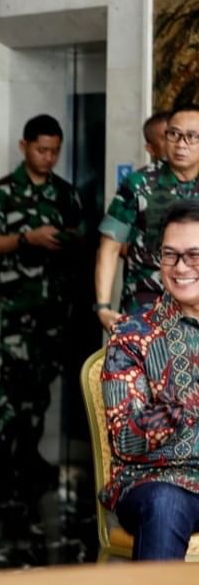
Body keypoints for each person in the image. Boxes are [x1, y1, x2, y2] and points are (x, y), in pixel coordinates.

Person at [0, 114, 84, 492]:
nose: (49, 158)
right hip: (18, 309)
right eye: (42, 150)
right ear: (25, 147)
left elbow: (83, 238)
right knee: (12, 383)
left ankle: (28, 454)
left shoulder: (66, 194)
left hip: (55, 309)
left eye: (55, 151)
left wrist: (67, 240)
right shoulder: (1, 193)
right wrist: (28, 239)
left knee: (42, 385)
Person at [101, 199, 199, 560]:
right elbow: (127, 438)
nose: (180, 267)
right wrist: (186, 404)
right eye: (170, 255)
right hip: (155, 481)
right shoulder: (133, 334)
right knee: (166, 504)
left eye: (194, 256)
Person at [96, 105, 199, 328]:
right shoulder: (139, 183)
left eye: (192, 137)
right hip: (145, 305)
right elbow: (110, 246)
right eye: (174, 134)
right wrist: (103, 307)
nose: (181, 144)